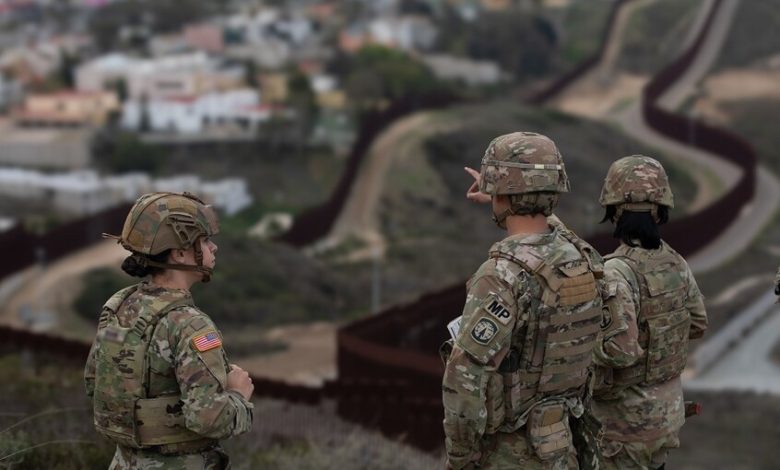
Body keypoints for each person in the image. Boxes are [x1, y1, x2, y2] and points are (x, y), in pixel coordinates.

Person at [442, 132, 604, 469]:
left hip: (511, 453)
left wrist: (460, 458)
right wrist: (511, 194)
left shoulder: (500, 275)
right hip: (563, 446)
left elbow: (465, 380)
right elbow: (555, 233)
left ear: (501, 193)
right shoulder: (580, 259)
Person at [84, 192, 254, 470]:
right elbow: (208, 419)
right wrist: (238, 395)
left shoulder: (119, 305)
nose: (214, 248)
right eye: (205, 241)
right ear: (179, 253)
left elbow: (94, 382)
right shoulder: (190, 325)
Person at [586, 155, 708, 470]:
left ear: (613, 210)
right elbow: (698, 323)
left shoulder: (615, 271)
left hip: (624, 427)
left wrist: (582, 343)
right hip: (667, 418)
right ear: (661, 209)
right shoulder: (674, 262)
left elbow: (619, 352)